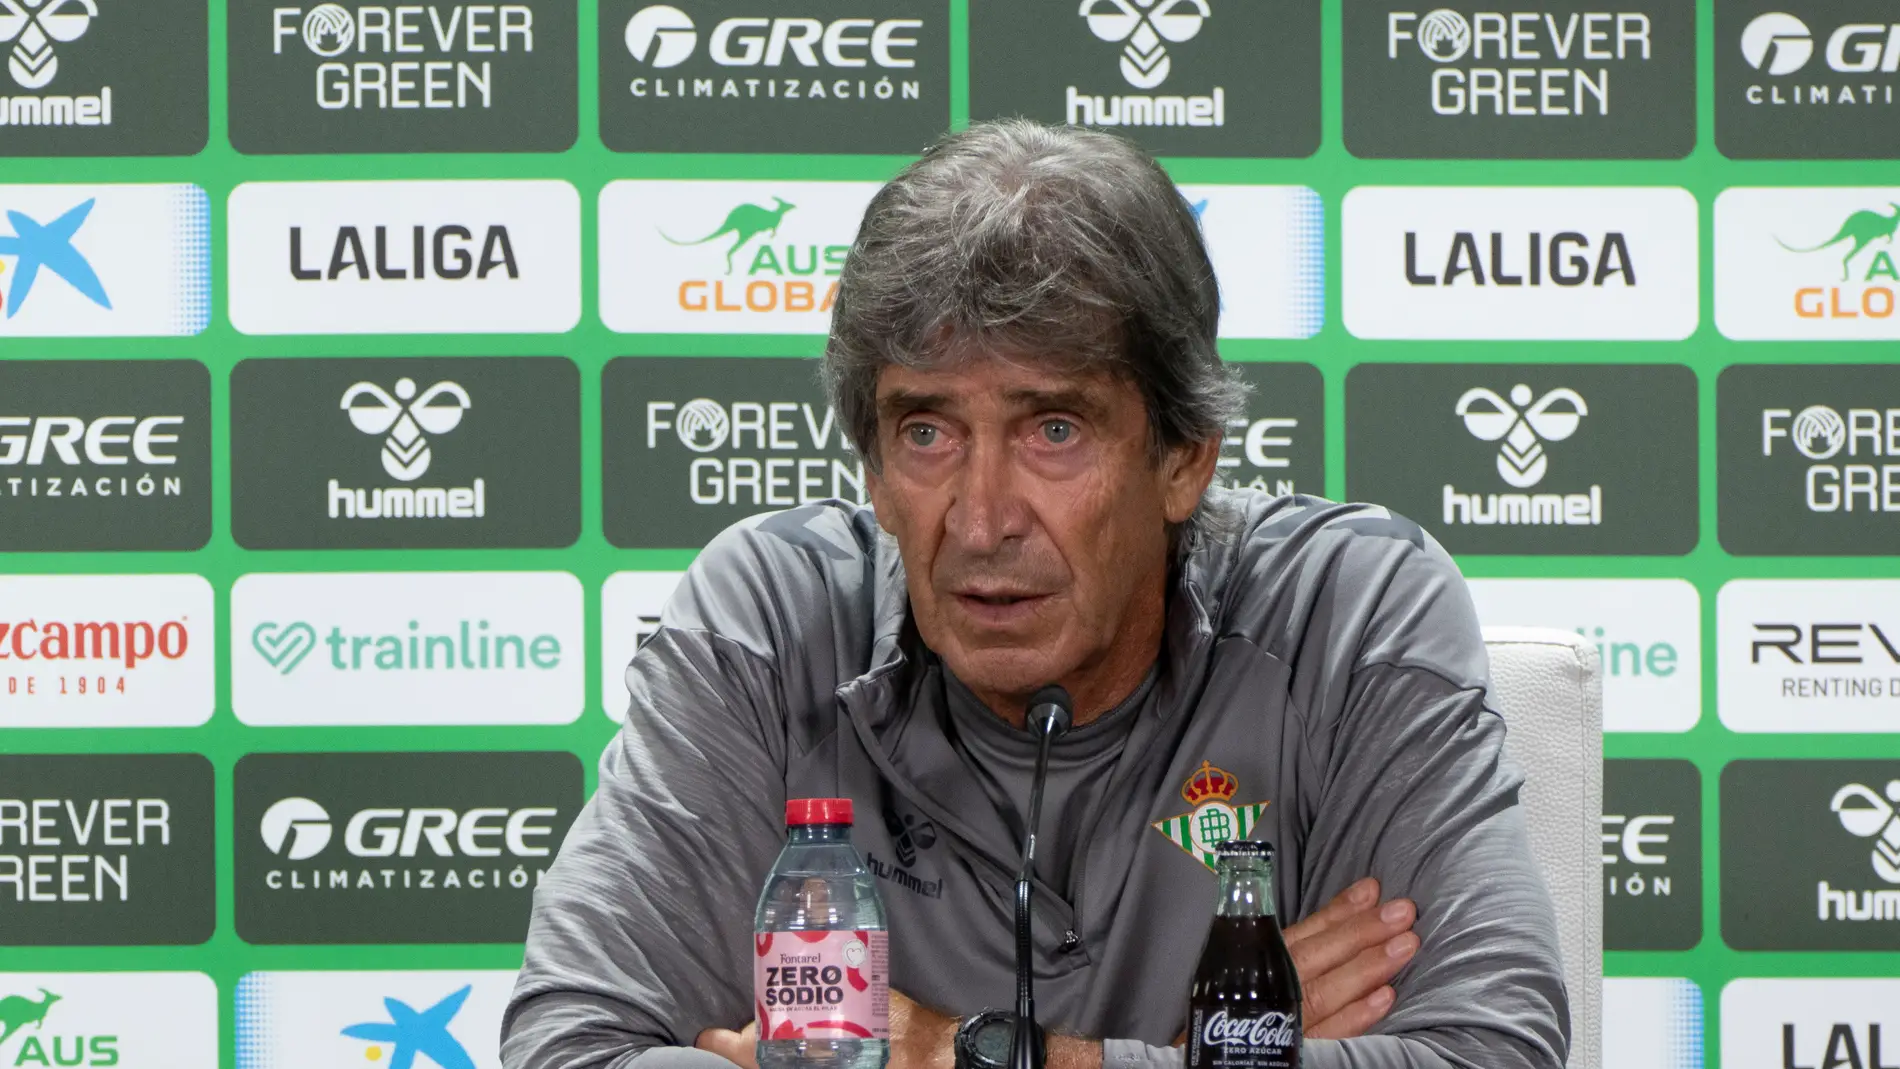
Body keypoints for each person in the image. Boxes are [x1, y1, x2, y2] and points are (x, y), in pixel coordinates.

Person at [502, 120, 1569, 1069]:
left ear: (1184, 457)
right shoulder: (772, 621)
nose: (980, 519)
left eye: (1052, 430)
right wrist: (1212, 1055)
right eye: (926, 432)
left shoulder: (1348, 607)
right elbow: (569, 1044)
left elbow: (1489, 1050)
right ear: (872, 470)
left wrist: (963, 1054)